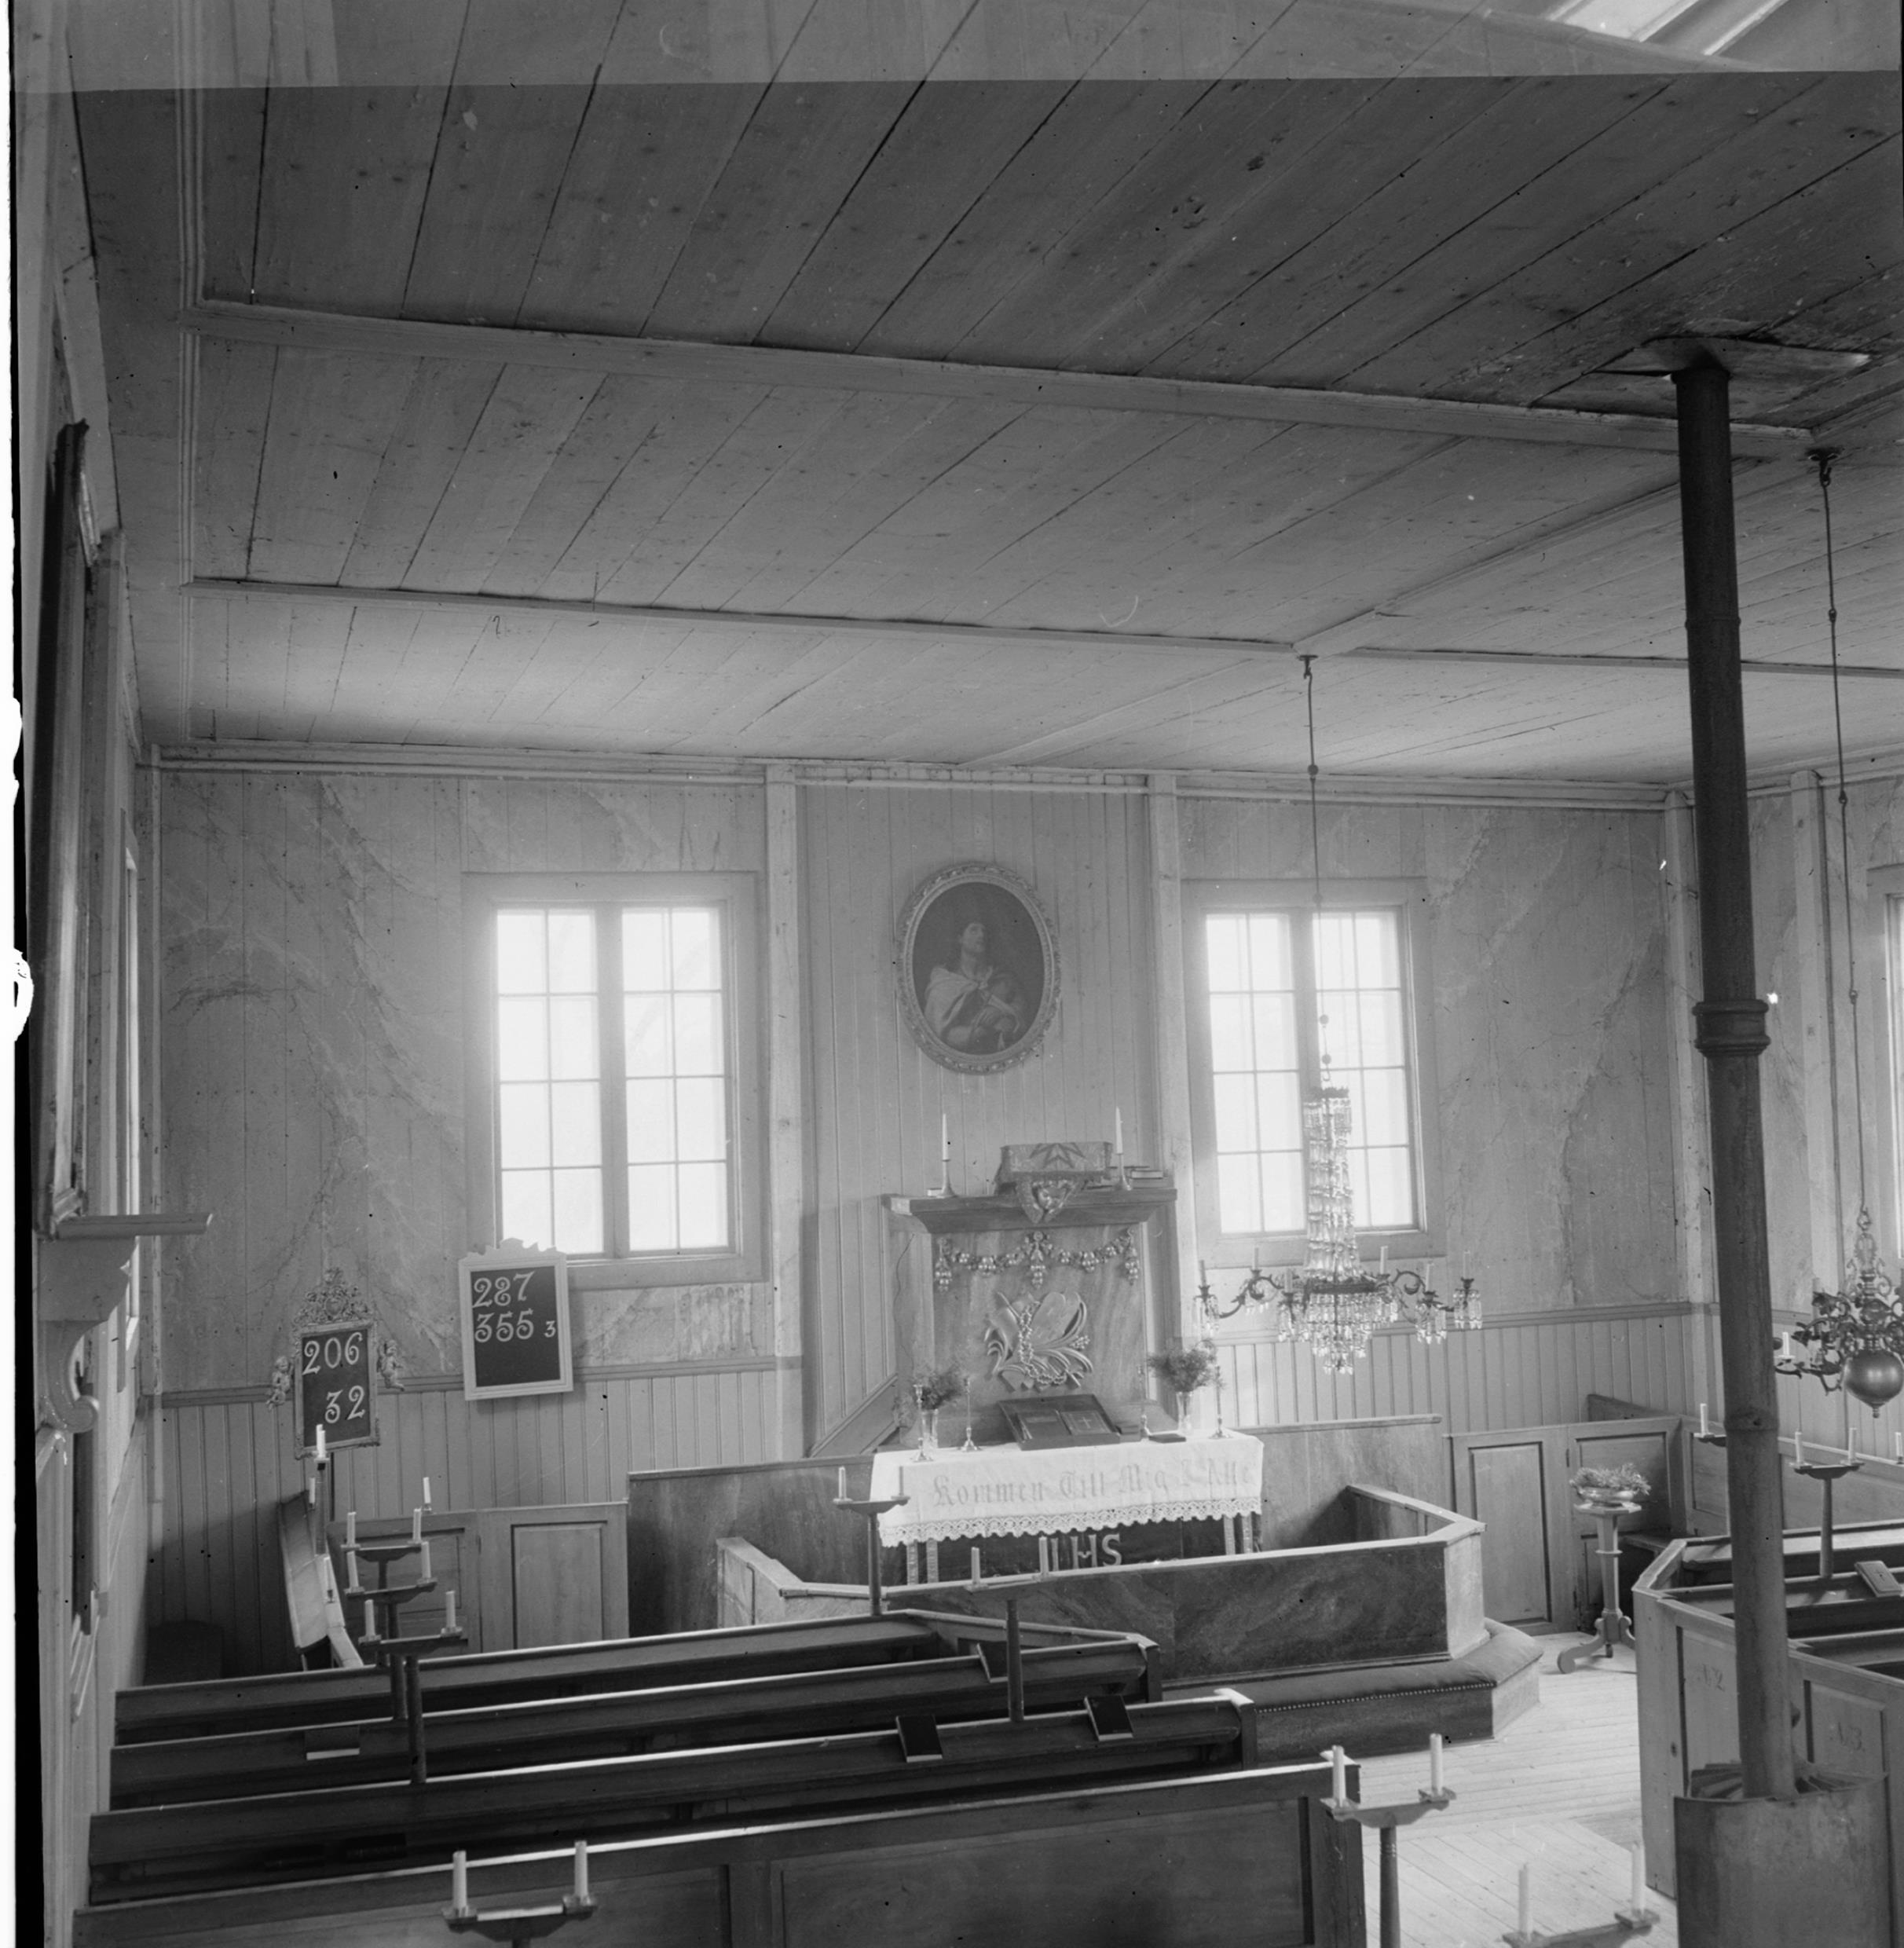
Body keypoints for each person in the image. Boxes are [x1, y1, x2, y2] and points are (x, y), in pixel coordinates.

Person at [923, 911, 1027, 1053]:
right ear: (960, 938)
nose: (981, 935)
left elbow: (1022, 1018)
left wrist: (1001, 1012)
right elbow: (939, 1034)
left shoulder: (1005, 980)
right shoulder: (944, 983)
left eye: (984, 931)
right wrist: (984, 1030)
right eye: (974, 930)